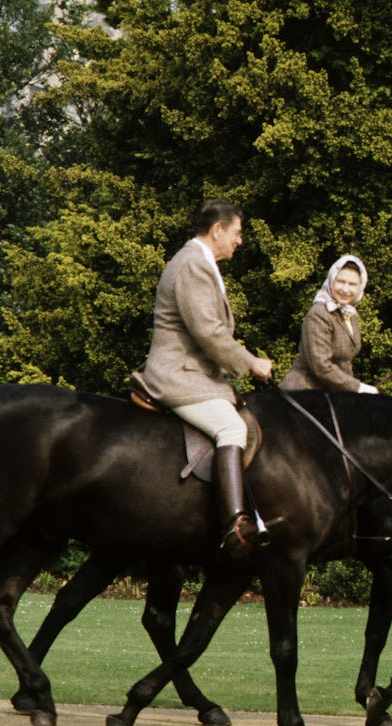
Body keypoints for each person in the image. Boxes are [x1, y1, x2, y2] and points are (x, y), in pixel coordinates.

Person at [132, 200, 273, 559]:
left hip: (198, 375)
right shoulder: (193, 265)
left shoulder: (201, 263)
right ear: (217, 230)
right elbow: (208, 332)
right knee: (232, 429)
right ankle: (233, 525)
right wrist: (250, 363)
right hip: (178, 376)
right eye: (237, 233)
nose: (240, 241)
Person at [280, 254, 379, 393]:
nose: (345, 289)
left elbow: (344, 364)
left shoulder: (350, 315)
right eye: (340, 281)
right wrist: (358, 387)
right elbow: (321, 367)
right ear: (331, 280)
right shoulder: (319, 314)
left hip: (332, 394)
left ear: (360, 287)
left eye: (352, 284)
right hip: (304, 392)